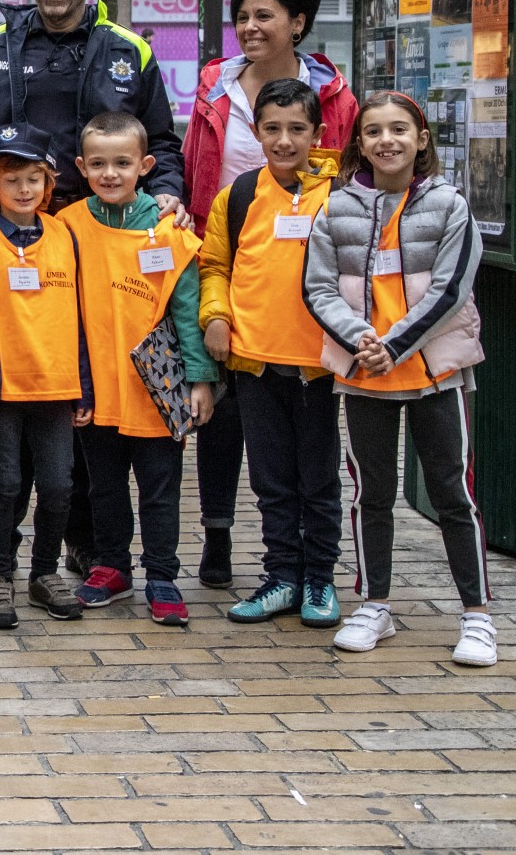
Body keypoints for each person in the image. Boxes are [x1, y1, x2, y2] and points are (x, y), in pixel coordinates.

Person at [0, 0, 183, 587]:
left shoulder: (129, 51)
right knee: (6, 386)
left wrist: (166, 199)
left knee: (73, 394)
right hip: (9, 246)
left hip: (95, 246)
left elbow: (162, 140)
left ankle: (80, 539)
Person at [181, 0, 358, 591]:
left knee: (308, 453)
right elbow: (194, 169)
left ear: (299, 23)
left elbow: (348, 201)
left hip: (305, 308)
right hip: (226, 261)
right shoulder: (215, 89)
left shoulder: (333, 99)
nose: (251, 28)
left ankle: (314, 575)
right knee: (225, 419)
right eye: (243, 17)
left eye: (265, 16)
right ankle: (222, 535)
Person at [303, 92, 494, 667]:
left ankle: (477, 615)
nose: (387, 141)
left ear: (422, 138)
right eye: (373, 132)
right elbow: (318, 288)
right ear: (357, 143)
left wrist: (394, 345)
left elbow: (451, 287)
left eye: (399, 130)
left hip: (436, 371)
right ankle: (375, 604)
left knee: (452, 491)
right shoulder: (335, 208)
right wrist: (362, 341)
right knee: (372, 493)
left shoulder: (451, 204)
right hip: (365, 374)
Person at [60, 111, 217, 628]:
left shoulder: (168, 229)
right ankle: (111, 566)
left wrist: (200, 380)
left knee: (159, 488)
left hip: (158, 389)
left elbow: (188, 309)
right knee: (102, 485)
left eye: (123, 163)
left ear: (145, 165)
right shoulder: (68, 227)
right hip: (97, 388)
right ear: (81, 167)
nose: (110, 174)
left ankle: (162, 574)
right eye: (99, 163)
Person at [197, 79, 343, 629]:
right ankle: (282, 577)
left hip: (319, 364)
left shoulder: (342, 194)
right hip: (254, 361)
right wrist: (216, 317)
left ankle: (319, 579)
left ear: (318, 134)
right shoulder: (237, 196)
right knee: (271, 480)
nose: (284, 140)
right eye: (272, 129)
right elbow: (215, 266)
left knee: (319, 478)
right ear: (255, 132)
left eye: (297, 129)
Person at [0, 123, 89, 630]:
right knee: (5, 484)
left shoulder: (63, 235)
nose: (24, 190)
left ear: (48, 182)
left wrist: (84, 384)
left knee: (58, 487)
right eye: (11, 179)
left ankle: (44, 573)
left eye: (34, 177)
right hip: (2, 391)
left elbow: (76, 314)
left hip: (56, 387)